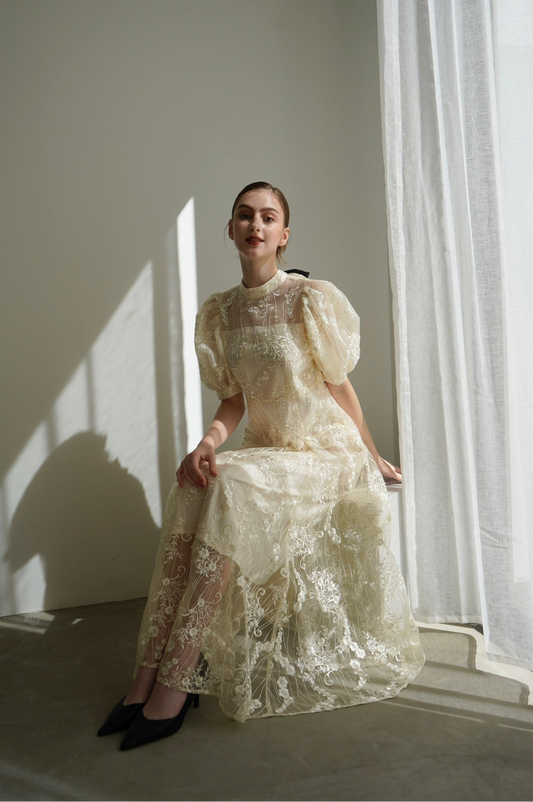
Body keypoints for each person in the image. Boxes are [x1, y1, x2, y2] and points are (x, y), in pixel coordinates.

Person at [97, 181, 426, 751]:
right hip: (271, 449)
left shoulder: (308, 298)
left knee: (230, 486)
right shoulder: (220, 312)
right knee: (194, 485)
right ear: (230, 229)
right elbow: (234, 402)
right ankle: (146, 675)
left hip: (324, 451)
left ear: (284, 235)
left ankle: (177, 680)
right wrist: (207, 443)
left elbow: (340, 388)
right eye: (245, 216)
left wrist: (371, 456)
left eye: (268, 217)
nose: (256, 225)